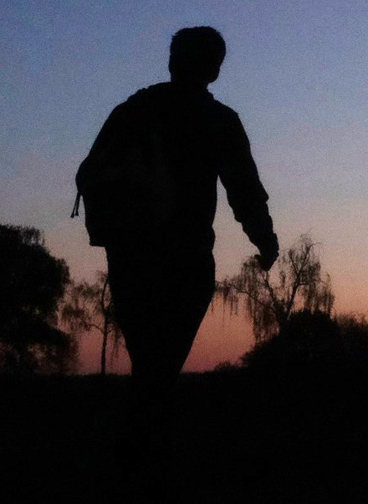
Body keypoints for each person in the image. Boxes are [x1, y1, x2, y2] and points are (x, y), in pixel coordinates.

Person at [75, 26, 278, 495]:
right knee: (160, 366)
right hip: (184, 257)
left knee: (150, 361)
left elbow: (94, 171)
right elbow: (243, 188)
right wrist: (264, 240)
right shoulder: (217, 119)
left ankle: (139, 461)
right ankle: (148, 464)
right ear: (214, 67)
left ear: (172, 60)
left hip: (129, 256)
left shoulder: (134, 108)